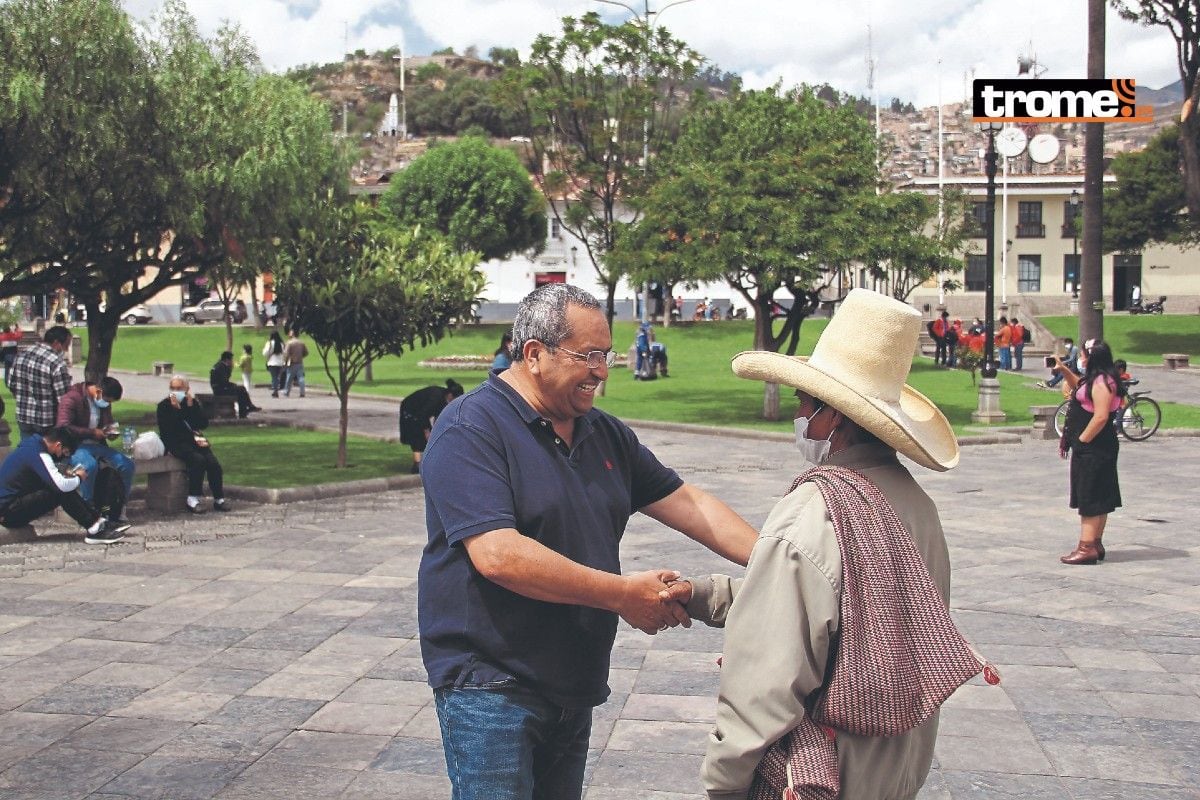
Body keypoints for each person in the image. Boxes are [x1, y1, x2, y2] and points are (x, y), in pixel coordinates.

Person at [417, 283, 758, 800]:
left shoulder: (603, 433)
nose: (602, 370)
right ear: (534, 354)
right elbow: (498, 555)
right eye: (590, 355)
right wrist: (621, 594)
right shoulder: (471, 428)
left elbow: (690, 504)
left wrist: (780, 561)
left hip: (573, 684)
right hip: (491, 685)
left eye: (608, 354)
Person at [673, 288, 982, 800]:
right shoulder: (917, 508)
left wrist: (723, 781)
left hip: (824, 776)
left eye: (803, 403)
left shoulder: (813, 512)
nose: (799, 415)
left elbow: (765, 683)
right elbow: (848, 608)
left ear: (832, 415)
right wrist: (706, 596)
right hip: (895, 771)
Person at [1052, 340, 1124, 565]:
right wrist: (1064, 370)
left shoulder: (1102, 382)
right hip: (1097, 447)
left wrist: (1083, 439)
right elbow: (1080, 388)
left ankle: (1086, 547)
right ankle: (1095, 543)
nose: (1081, 358)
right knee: (1099, 494)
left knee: (1091, 496)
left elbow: (1101, 415)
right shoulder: (1097, 379)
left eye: (1083, 355)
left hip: (1095, 447)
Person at [0, 426, 129, 544]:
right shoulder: (39, 454)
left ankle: (98, 522)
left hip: (11, 506)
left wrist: (64, 472)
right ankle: (94, 528)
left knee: (60, 487)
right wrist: (79, 478)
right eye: (64, 452)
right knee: (60, 491)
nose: (61, 456)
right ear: (58, 445)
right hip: (8, 513)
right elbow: (60, 486)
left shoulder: (32, 445)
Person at [55, 377, 135, 519]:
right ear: (98, 391)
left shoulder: (103, 403)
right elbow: (63, 426)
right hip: (75, 445)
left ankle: (120, 505)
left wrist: (110, 432)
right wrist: (92, 432)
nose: (108, 404)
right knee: (89, 466)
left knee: (126, 464)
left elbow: (107, 422)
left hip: (97, 445)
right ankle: (89, 506)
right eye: (108, 400)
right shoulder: (72, 398)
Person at [157, 375, 230, 514]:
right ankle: (192, 498)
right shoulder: (164, 406)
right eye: (173, 388)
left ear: (186, 389)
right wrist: (176, 409)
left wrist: (190, 408)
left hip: (194, 440)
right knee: (198, 460)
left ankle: (219, 499)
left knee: (213, 464)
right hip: (175, 442)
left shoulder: (192, 403)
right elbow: (169, 428)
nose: (175, 391)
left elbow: (202, 424)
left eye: (179, 388)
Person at [7, 325, 72, 439]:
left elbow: (11, 383)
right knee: (47, 455)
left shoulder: (22, 355)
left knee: (28, 452)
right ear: (57, 343)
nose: (66, 349)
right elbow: (63, 398)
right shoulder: (56, 363)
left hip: (23, 416)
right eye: (66, 345)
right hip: (46, 420)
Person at [399, 379, 464, 474]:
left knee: (430, 438)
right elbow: (423, 415)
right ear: (450, 395)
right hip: (410, 409)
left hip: (422, 414)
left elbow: (439, 418)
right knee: (416, 435)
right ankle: (417, 465)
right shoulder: (435, 397)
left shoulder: (444, 400)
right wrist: (427, 432)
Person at [209, 351, 258, 419]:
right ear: (227, 360)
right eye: (231, 359)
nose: (232, 361)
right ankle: (245, 411)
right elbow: (224, 382)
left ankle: (248, 407)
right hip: (220, 390)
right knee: (240, 391)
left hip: (219, 388)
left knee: (241, 390)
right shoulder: (222, 367)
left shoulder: (219, 365)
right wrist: (232, 385)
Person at [282, 330, 308, 398]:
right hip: (300, 362)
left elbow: (286, 354)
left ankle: (286, 392)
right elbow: (306, 352)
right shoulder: (301, 343)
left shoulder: (289, 343)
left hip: (292, 363)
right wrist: (301, 356)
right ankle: (302, 392)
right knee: (301, 378)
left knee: (289, 378)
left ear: (291, 335)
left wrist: (285, 362)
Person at [263, 331, 285, 397]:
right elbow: (284, 352)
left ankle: (275, 390)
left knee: (274, 377)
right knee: (277, 377)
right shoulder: (281, 344)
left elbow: (265, 353)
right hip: (280, 362)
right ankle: (276, 389)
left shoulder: (269, 343)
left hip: (272, 362)